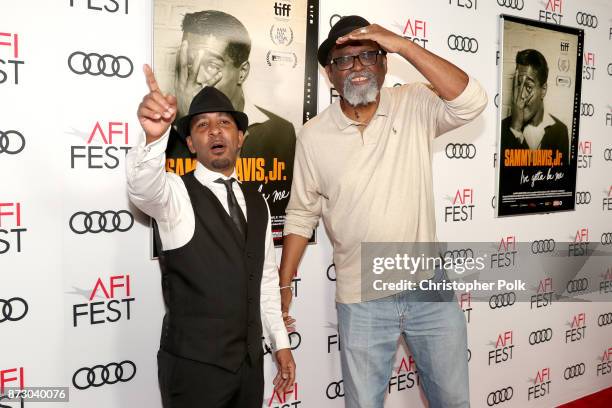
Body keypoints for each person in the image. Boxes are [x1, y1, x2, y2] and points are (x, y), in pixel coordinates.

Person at [279, 16, 487, 408]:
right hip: (361, 296)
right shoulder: (312, 135)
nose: (356, 67)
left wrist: (403, 43)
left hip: (429, 287)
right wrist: (284, 283)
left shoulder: (414, 102)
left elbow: (472, 101)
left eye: (368, 55)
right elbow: (301, 213)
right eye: (344, 60)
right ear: (329, 74)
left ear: (385, 61)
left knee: (454, 401)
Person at [126, 65, 295, 408]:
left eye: (224, 123)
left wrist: (280, 344)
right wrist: (155, 139)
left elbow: (263, 280)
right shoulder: (174, 193)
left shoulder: (257, 200)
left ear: (240, 137)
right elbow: (143, 190)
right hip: (194, 372)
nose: (215, 131)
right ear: (190, 143)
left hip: (249, 368)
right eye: (202, 125)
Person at [166, 9, 297, 221]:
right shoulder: (166, 134)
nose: (198, 77)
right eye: (190, 63)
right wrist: (187, 119)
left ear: (242, 72)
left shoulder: (280, 132)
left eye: (211, 65)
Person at [501, 49, 569, 162]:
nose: (521, 95)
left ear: (543, 90)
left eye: (528, 87)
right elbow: (507, 178)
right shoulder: (503, 128)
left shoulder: (560, 131)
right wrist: (516, 129)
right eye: (518, 85)